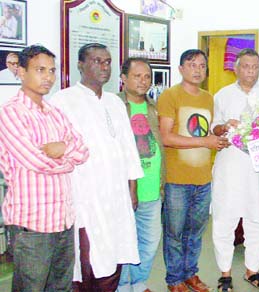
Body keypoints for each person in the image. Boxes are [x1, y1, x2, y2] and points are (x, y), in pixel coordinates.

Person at [50, 43, 144, 292]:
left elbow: (128, 149)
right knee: (88, 257)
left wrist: (132, 188)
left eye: (107, 61)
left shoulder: (115, 102)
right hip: (85, 195)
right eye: (96, 61)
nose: (104, 67)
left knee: (115, 251)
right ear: (80, 65)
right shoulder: (63, 100)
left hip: (117, 195)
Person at [0, 44, 88, 292]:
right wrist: (68, 157)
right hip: (32, 226)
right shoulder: (10, 114)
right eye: (40, 70)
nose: (48, 77)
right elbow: (37, 162)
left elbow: (83, 149)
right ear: (21, 72)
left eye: (51, 70)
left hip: (63, 221)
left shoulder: (55, 113)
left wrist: (63, 150)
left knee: (61, 287)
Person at [157, 49, 229, 292]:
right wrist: (205, 142)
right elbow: (166, 137)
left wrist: (218, 135)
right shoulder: (170, 96)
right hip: (177, 179)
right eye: (192, 65)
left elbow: (203, 133)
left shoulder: (209, 98)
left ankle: (191, 275)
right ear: (180, 69)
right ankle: (174, 280)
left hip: (203, 179)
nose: (198, 70)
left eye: (202, 65)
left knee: (196, 234)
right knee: (175, 234)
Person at [210, 48, 259, 292]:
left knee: (257, 221)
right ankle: (225, 273)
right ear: (236, 69)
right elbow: (213, 129)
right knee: (224, 221)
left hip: (257, 171)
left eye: (255, 67)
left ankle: (252, 270)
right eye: (246, 66)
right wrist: (223, 127)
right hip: (228, 169)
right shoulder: (222, 95)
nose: (250, 71)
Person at [117, 57, 165, 292]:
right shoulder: (114, 107)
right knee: (124, 242)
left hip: (152, 189)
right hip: (123, 191)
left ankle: (138, 282)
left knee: (149, 242)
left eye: (147, 76)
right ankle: (123, 285)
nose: (143, 81)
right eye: (137, 76)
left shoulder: (154, 107)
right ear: (123, 78)